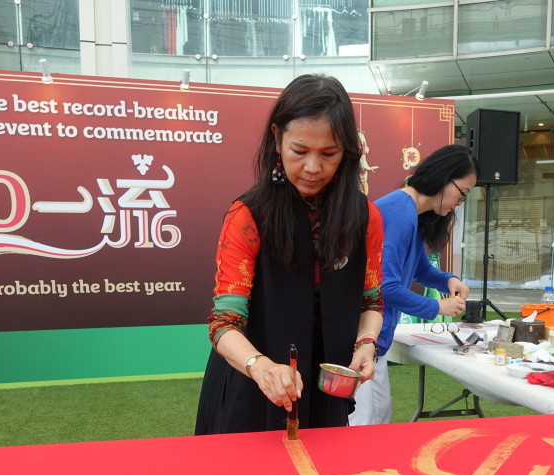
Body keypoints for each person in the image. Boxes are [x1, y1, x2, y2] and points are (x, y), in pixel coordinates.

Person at [195, 74, 385, 435]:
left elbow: (371, 301)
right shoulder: (249, 216)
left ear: (347, 151)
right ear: (277, 139)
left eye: (329, 154)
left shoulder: (365, 217)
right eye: (300, 151)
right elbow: (223, 326)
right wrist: (261, 366)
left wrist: (366, 344)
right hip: (251, 384)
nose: (313, 168)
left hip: (327, 390)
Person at [350, 144, 478, 426]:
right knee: (361, 431)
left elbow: (420, 270)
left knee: (377, 425)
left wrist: (448, 279)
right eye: (462, 194)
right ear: (445, 178)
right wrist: (437, 306)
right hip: (361, 340)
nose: (459, 203)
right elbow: (387, 287)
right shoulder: (398, 212)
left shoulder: (409, 212)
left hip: (374, 342)